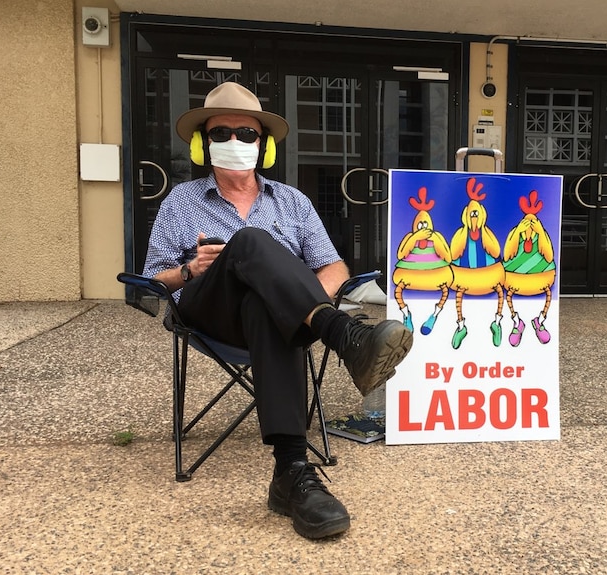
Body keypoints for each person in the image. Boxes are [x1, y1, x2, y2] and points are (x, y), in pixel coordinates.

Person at [142, 82, 413, 540]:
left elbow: (334, 267)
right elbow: (153, 279)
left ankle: (292, 476)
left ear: (263, 146)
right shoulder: (181, 201)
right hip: (208, 312)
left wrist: (302, 298)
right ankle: (344, 335)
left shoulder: (292, 201)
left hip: (277, 319)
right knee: (251, 241)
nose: (234, 142)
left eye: (246, 134)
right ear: (202, 144)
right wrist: (188, 270)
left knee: (266, 305)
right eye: (221, 132)